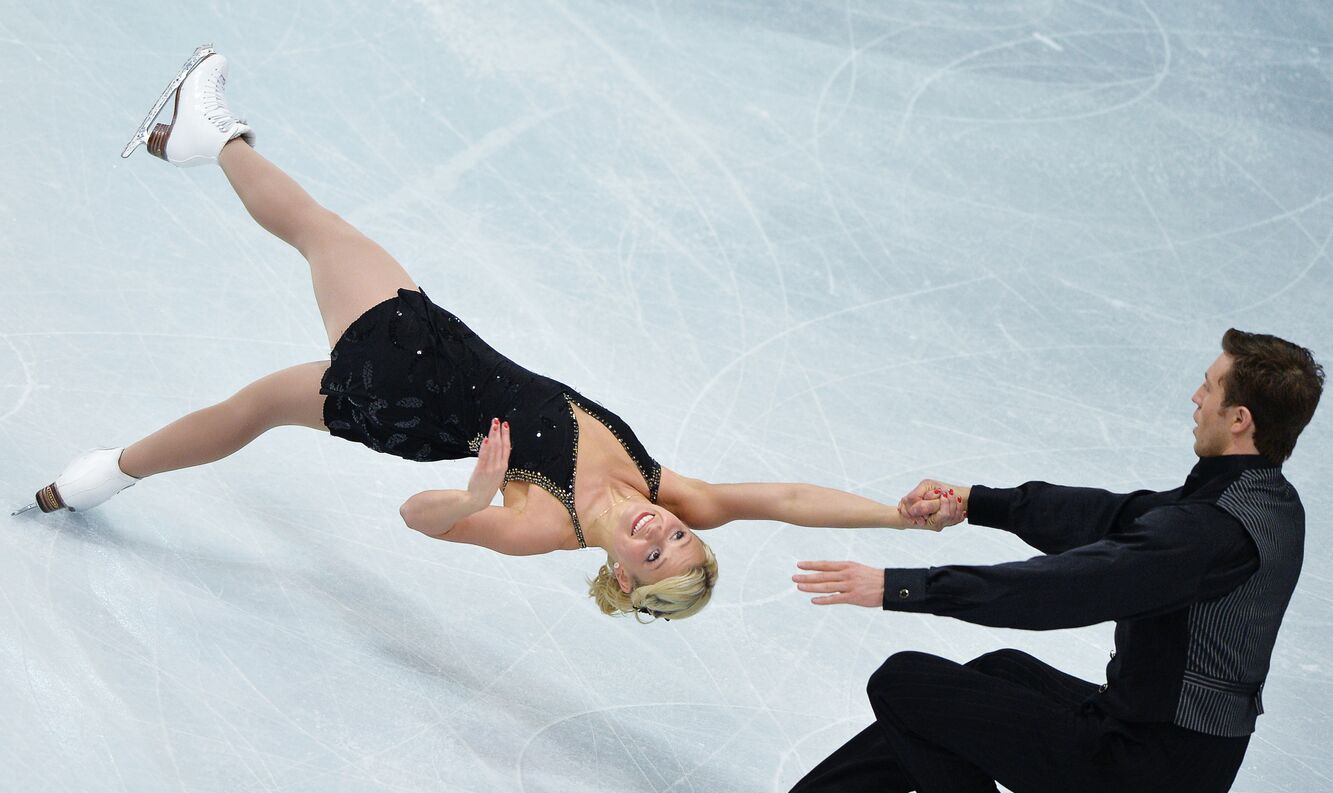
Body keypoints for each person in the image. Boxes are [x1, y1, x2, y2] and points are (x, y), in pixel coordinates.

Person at [20, 46, 948, 622]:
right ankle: (94, 480)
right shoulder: (663, 489)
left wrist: (471, 498)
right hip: (414, 404)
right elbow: (784, 499)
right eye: (683, 542)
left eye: (657, 556)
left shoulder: (543, 525)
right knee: (255, 408)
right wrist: (889, 513)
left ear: (622, 582)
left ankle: (208, 133)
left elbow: (419, 521)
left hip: (418, 375)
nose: (665, 532)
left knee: (321, 232)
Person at [749, 330, 1323, 793]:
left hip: (1146, 778)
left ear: (1239, 418)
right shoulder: (1260, 500)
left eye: (1209, 388)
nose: (1194, 397)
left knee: (904, 684)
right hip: (1173, 751)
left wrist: (905, 586)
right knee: (997, 674)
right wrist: (976, 502)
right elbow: (1107, 516)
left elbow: (1067, 588)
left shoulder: (1209, 532)